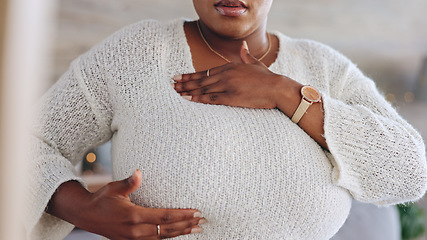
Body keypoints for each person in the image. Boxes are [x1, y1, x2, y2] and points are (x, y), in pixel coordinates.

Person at [28, 0, 427, 239]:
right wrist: (81, 208)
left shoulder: (323, 68)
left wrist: (284, 94)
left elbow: (409, 171)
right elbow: (23, 143)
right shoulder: (135, 54)